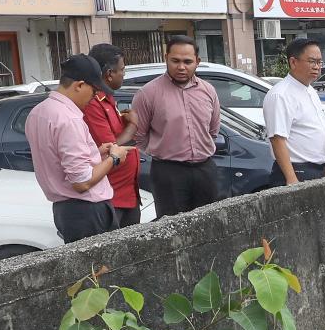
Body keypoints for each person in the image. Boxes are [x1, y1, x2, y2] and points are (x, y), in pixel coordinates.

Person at [25, 54, 129, 243]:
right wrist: (113, 158)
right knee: (99, 270)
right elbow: (82, 182)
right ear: (79, 85)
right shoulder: (68, 119)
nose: (95, 97)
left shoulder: (38, 112)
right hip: (87, 211)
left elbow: (58, 159)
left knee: (88, 270)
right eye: (93, 90)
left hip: (66, 209)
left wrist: (96, 153)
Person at [127, 35, 221, 217]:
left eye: (187, 61)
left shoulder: (208, 91)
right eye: (175, 61)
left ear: (197, 62)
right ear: (166, 58)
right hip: (168, 173)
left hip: (205, 170)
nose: (181, 67)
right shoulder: (148, 94)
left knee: (210, 225)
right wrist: (163, 151)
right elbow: (138, 136)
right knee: (172, 229)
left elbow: (213, 129)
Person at [83, 43, 142, 227]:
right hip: (112, 197)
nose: (124, 75)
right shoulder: (93, 103)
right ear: (109, 74)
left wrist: (124, 122)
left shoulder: (108, 98)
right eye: (122, 70)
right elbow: (111, 148)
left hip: (127, 194)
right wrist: (133, 124)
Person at [262, 37, 325, 184]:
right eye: (312, 61)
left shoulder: (309, 90)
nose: (317, 67)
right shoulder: (281, 95)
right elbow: (277, 140)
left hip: (318, 170)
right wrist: (292, 180)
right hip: (297, 172)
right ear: (293, 62)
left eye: (320, 62)